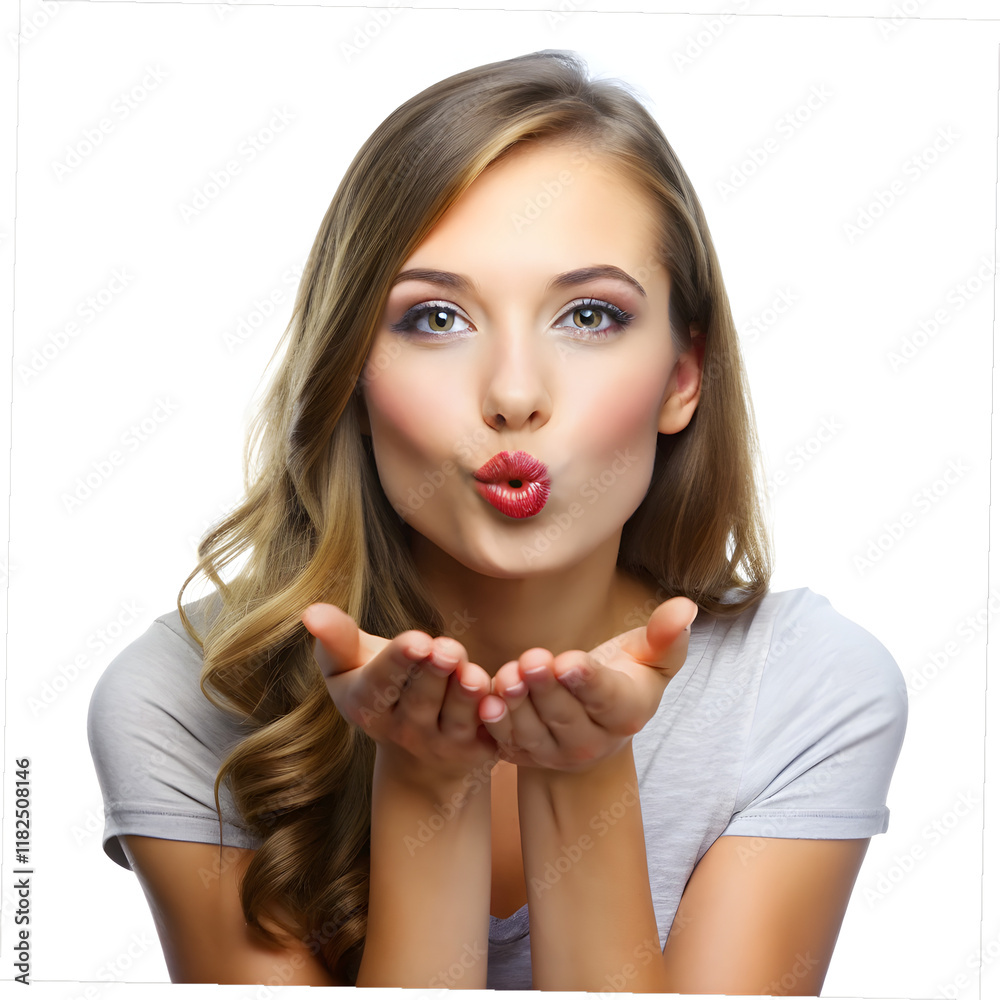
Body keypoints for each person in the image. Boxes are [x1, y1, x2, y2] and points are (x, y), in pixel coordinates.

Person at [87, 49, 907, 992]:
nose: (514, 394)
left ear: (683, 376)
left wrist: (585, 775)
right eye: (435, 319)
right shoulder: (183, 697)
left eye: (590, 315)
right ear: (351, 369)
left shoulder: (805, 689)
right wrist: (427, 788)